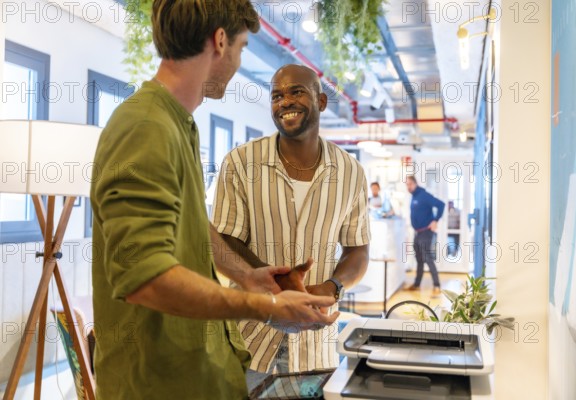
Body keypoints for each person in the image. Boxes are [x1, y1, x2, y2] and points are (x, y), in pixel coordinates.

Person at [90, 3, 338, 399]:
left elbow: (188, 226)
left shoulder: (176, 123)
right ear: (219, 41)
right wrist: (266, 308)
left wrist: (245, 276)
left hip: (201, 371)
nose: (238, 62)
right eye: (240, 48)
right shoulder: (146, 128)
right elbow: (144, 277)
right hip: (161, 384)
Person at [212, 64, 370, 388]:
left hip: (316, 352)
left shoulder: (351, 172)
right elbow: (225, 238)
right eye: (276, 95)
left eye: (296, 91)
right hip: (250, 340)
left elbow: (358, 249)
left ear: (321, 102)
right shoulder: (241, 163)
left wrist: (331, 288)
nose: (284, 102)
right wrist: (279, 283)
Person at [405, 175, 445, 296]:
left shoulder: (424, 195)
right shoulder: (414, 196)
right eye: (407, 185)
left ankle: (437, 285)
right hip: (418, 232)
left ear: (415, 184)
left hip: (426, 232)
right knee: (419, 259)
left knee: (427, 258)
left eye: (410, 184)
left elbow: (441, 204)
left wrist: (435, 220)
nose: (408, 187)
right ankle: (417, 285)